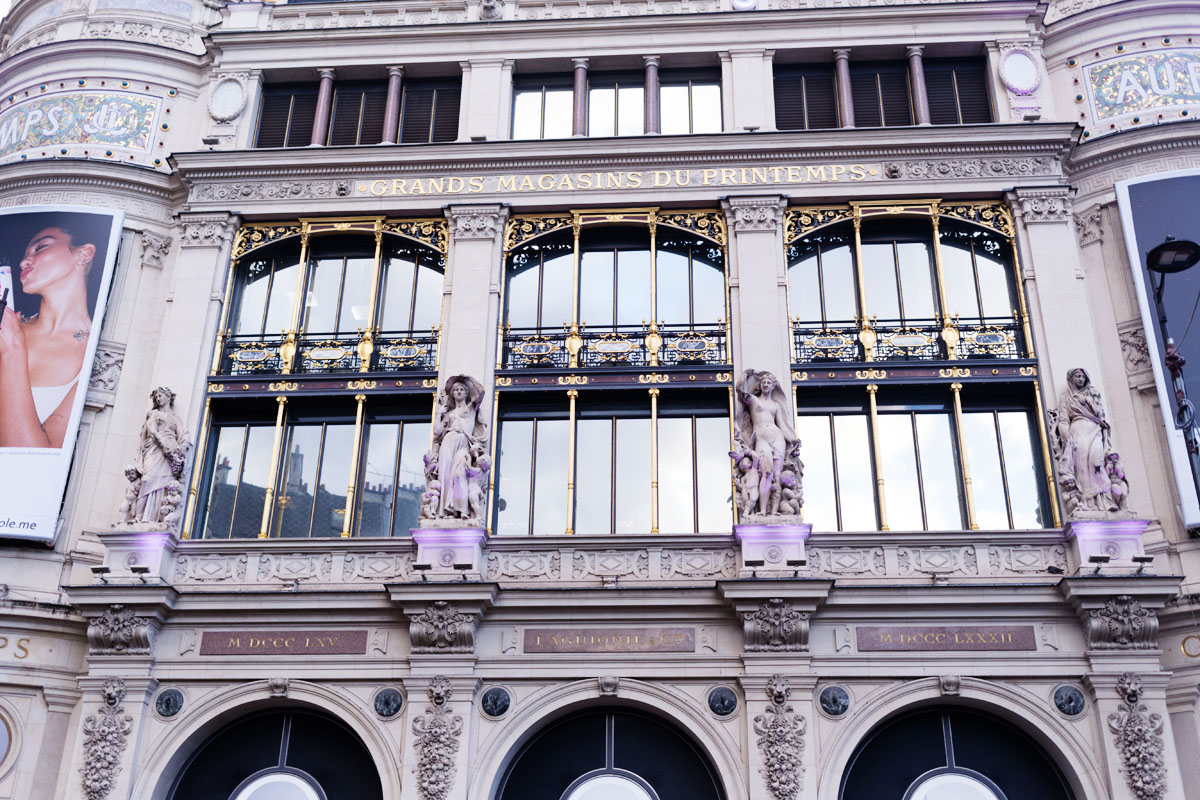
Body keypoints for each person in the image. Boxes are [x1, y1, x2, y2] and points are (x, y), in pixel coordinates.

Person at [0, 226, 97, 448]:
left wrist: (13, 350)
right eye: (25, 254)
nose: (23, 262)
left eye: (41, 247)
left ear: (84, 254)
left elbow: (33, 459)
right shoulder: (7, 326)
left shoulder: (98, 354)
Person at [735, 369, 801, 516]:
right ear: (760, 385)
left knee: (776, 476)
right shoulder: (753, 400)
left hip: (777, 438)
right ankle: (763, 510)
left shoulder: (775, 405)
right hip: (762, 439)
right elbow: (739, 390)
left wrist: (793, 440)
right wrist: (745, 375)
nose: (765, 384)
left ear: (773, 386)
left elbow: (782, 426)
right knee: (767, 473)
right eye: (763, 382)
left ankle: (774, 512)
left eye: (768, 382)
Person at [423, 375, 489, 520]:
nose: (458, 391)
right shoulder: (449, 413)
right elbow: (437, 432)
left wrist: (466, 379)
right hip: (448, 443)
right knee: (445, 476)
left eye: (461, 389)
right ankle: (447, 512)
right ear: (452, 394)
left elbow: (481, 393)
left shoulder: (470, 409)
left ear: (466, 392)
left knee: (459, 475)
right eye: (456, 389)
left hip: (463, 444)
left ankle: (462, 510)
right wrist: (439, 413)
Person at [1053, 367, 1118, 513]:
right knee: (1082, 467)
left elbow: (1100, 414)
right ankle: (1090, 503)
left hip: (1094, 429)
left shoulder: (1092, 393)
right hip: (1077, 431)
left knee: (1097, 462)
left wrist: (1087, 401)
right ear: (1071, 379)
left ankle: (1106, 500)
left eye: (1082, 376)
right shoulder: (1066, 398)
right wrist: (1067, 438)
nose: (1080, 379)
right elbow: (1063, 421)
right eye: (1077, 376)